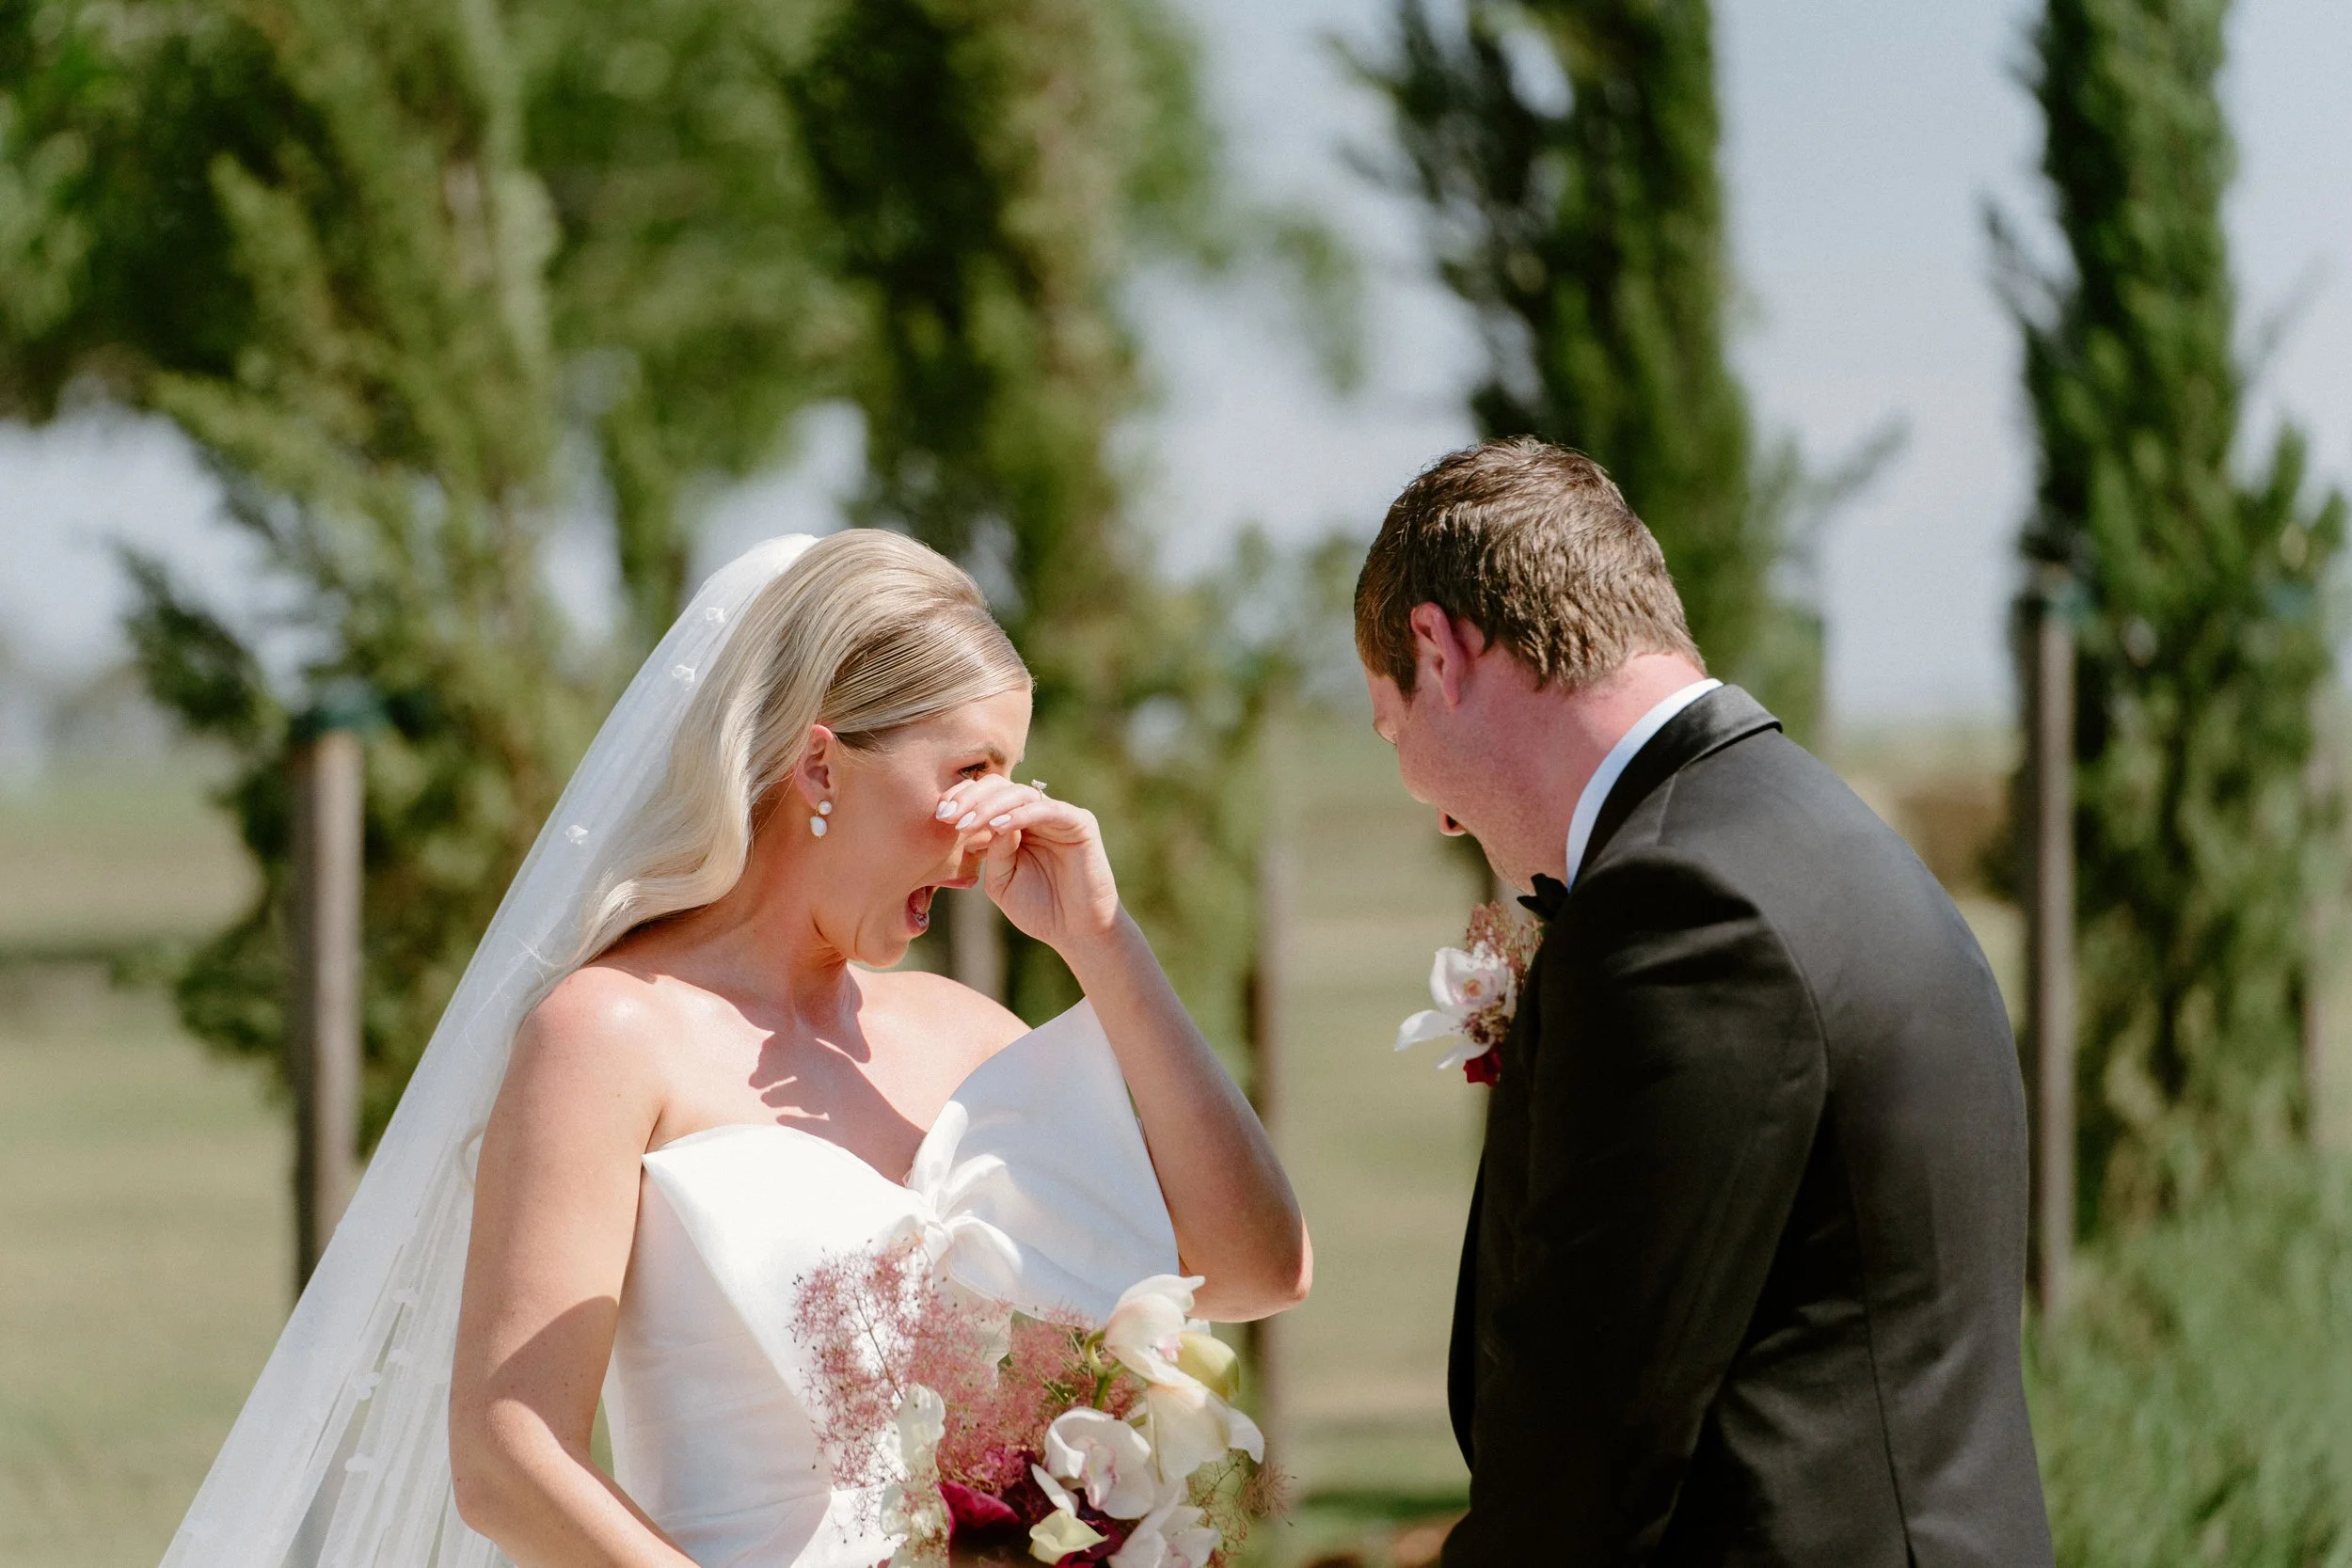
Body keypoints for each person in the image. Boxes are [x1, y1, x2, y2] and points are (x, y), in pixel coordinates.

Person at [160, 531, 1308, 1568]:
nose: (988, 832)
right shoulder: (609, 1032)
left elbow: (1259, 1266)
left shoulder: (970, 1034)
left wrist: (1103, 941)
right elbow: (507, 1454)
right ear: (819, 767)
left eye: (1012, 775)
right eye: (970, 772)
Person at [1354, 437, 2052, 1566]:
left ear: (1438, 648)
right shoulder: (1809, 834)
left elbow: (1588, 1459)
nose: (1433, 811)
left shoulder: (1683, 905)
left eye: (1393, 731)